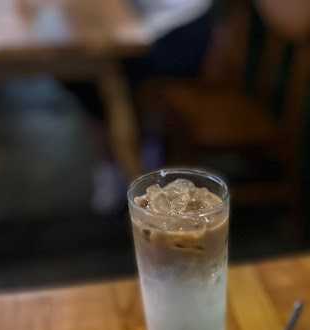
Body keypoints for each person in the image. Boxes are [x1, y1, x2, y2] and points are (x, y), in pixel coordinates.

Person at [64, 0, 214, 213]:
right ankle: (119, 160)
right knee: (81, 69)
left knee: (94, 69)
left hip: (182, 27)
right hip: (146, 19)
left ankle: (137, 160)